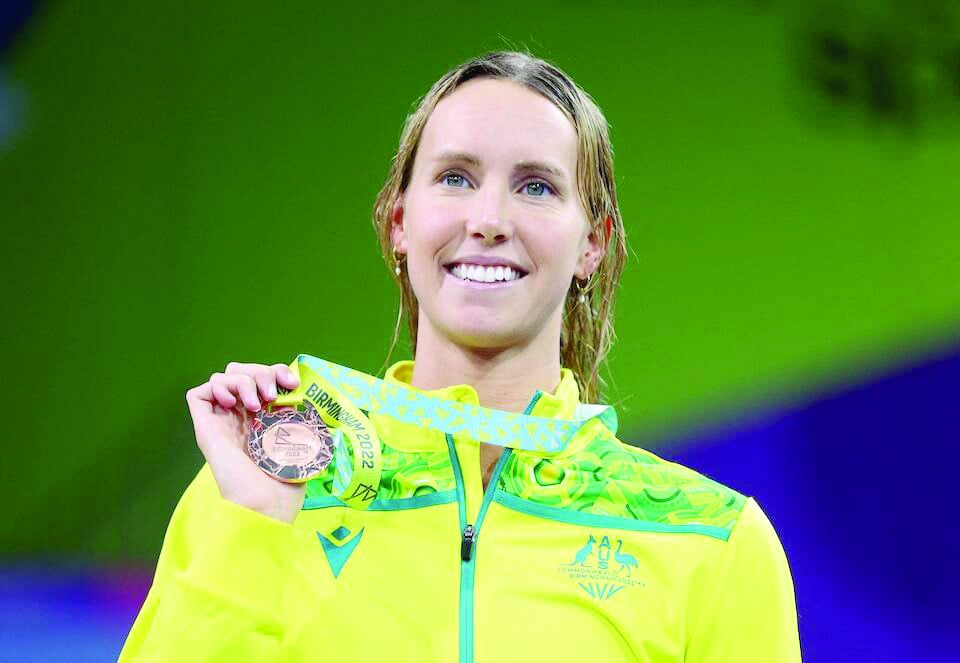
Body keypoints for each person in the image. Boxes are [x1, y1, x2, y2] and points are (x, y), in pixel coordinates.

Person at [118, 51, 802, 662]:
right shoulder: (256, 486)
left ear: (592, 242)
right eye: (454, 178)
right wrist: (255, 524)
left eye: (536, 186)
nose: (488, 219)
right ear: (398, 222)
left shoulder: (710, 538)